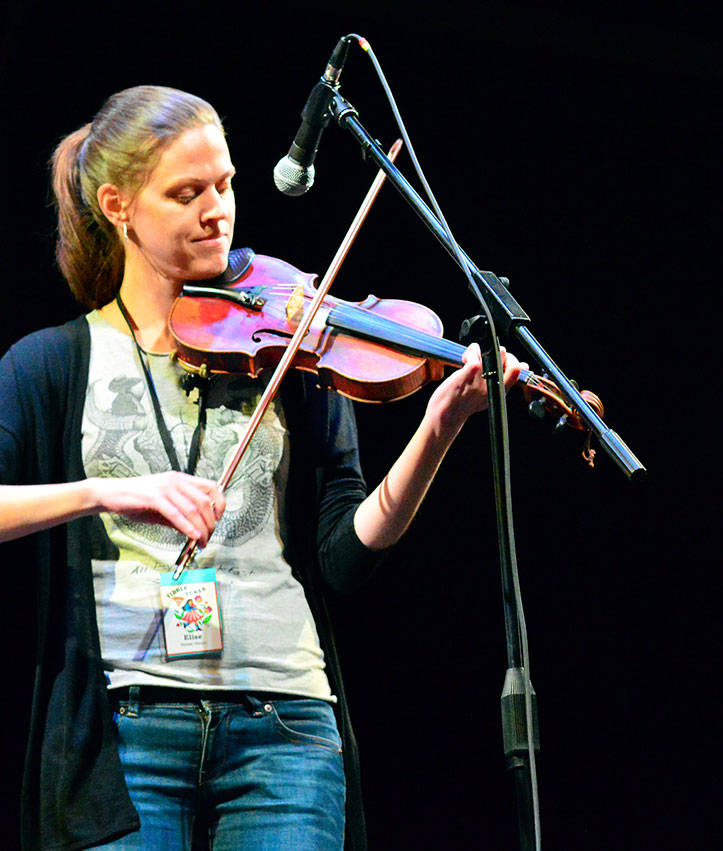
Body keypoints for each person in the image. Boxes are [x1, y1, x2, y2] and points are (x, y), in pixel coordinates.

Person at [0, 85, 521, 850]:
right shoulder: (49, 363)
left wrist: (438, 428)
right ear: (117, 205)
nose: (219, 210)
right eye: (186, 193)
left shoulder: (295, 336)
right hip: (128, 729)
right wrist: (110, 489)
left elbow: (345, 554)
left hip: (285, 725)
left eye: (227, 183)